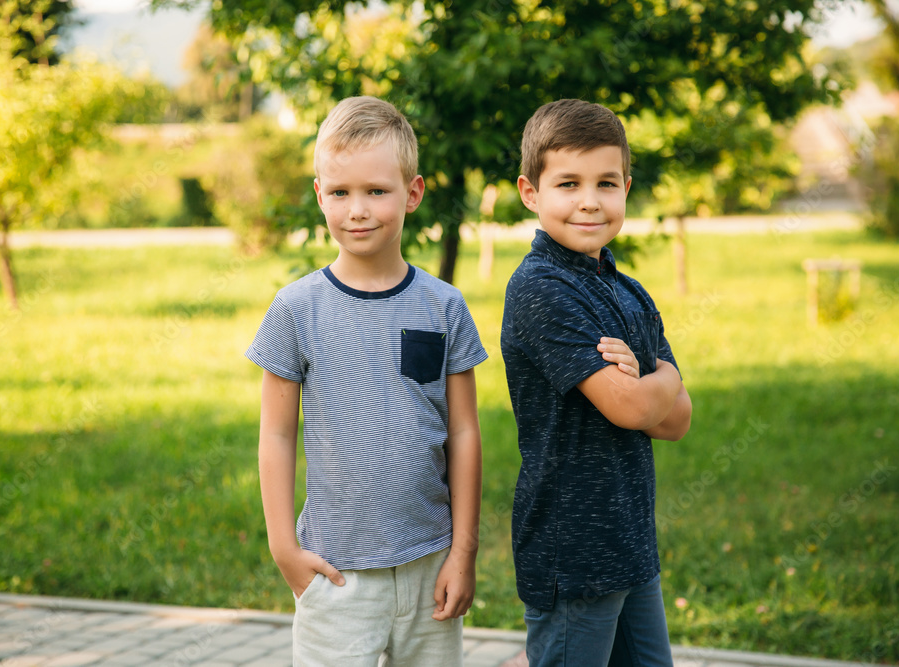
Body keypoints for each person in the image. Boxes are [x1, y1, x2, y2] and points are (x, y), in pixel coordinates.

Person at [245, 95, 488, 666]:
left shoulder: (444, 307)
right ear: (319, 194)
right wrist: (285, 549)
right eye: (340, 192)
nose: (357, 209)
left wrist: (463, 552)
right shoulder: (295, 308)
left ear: (413, 192)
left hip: (430, 564)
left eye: (376, 191)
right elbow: (276, 435)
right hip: (335, 572)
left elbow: (465, 433)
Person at [500, 98, 693, 666]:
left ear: (626, 189)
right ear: (530, 192)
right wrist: (669, 376)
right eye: (568, 183)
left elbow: (678, 422)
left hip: (631, 543)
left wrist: (654, 386)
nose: (590, 201)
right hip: (574, 554)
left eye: (606, 183)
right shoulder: (540, 288)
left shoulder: (630, 291)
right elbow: (634, 410)